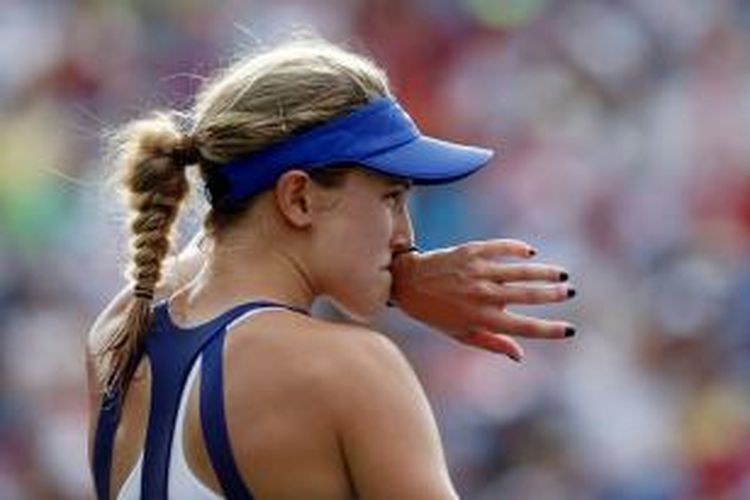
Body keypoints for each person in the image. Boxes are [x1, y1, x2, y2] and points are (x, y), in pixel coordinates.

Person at [86, 39, 576, 499]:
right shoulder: (348, 369)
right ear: (298, 198)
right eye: (390, 198)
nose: (406, 235)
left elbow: (210, 256)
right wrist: (391, 284)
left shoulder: (116, 336)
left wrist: (395, 282)